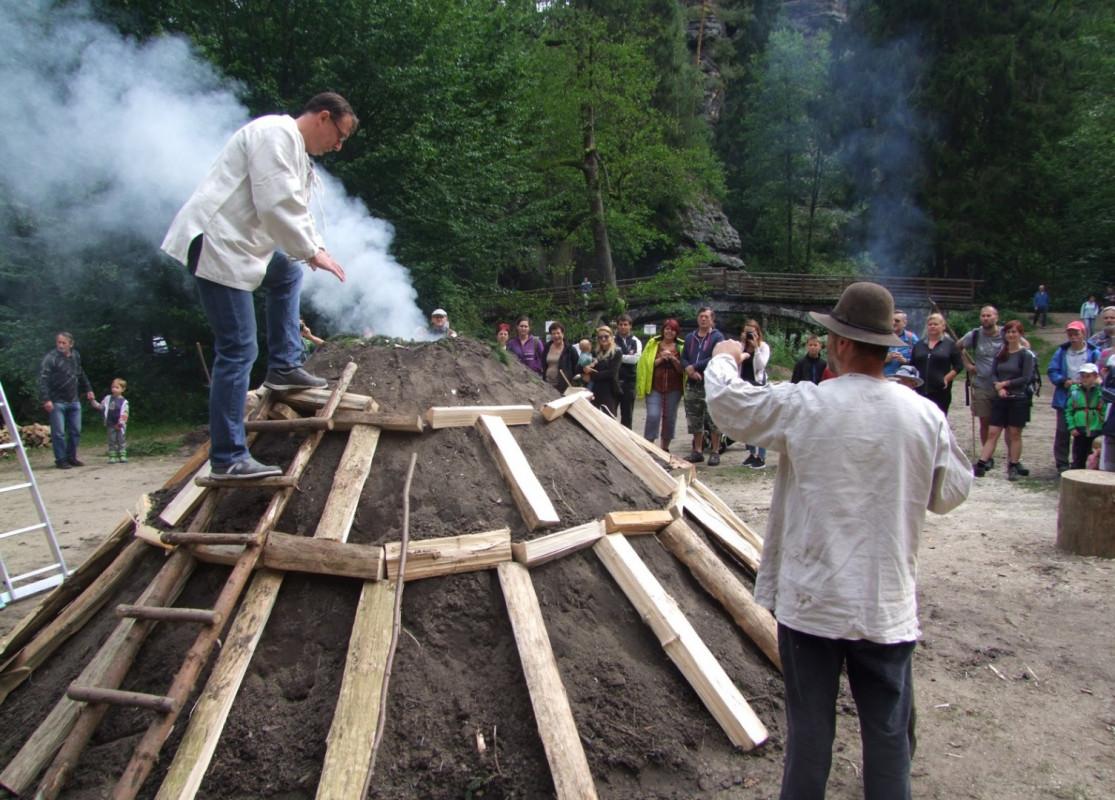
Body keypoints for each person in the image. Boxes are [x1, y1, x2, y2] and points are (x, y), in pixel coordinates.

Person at [704, 282, 971, 800]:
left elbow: (729, 406)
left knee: (810, 739)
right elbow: (951, 493)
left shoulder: (807, 405)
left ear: (843, 344)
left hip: (813, 603)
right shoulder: (922, 415)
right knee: (890, 738)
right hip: (884, 605)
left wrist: (722, 357)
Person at [161, 92, 356, 480]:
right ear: (322, 117)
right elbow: (276, 203)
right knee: (237, 349)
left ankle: (284, 364)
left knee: (288, 270)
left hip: (242, 247)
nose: (337, 146)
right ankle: (229, 456)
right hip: (218, 244)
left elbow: (297, 208)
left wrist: (313, 248)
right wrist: (310, 251)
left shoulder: (296, 154)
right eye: (339, 135)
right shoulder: (275, 134)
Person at [974, 320, 1036, 481]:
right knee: (993, 431)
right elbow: (994, 373)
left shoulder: (1026, 355)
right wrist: (998, 387)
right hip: (1000, 397)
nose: (1011, 335)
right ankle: (982, 462)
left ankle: (1013, 464)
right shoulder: (1001, 353)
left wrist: (1006, 384)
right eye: (1008, 332)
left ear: (1020, 334)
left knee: (1014, 433)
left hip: (1019, 398)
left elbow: (1026, 377)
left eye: (1014, 332)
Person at [1047, 320, 1101, 473]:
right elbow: (1052, 370)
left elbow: (1099, 372)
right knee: (1063, 431)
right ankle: (1062, 463)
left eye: (1076, 333)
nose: (1073, 336)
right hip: (1065, 395)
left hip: (1089, 397)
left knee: (1086, 432)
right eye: (1070, 333)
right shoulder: (1062, 351)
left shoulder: (1093, 352)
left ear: (1083, 334)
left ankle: (1084, 462)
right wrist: (1063, 381)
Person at [38, 331, 96, 469]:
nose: (61, 345)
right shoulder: (50, 358)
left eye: (64, 343)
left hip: (73, 399)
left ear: (71, 344)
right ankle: (61, 460)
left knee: (76, 430)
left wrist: (88, 389)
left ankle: (72, 457)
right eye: (59, 342)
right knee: (58, 433)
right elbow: (42, 379)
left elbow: (81, 373)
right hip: (57, 400)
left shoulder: (75, 355)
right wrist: (46, 399)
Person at [959, 306, 1005, 458]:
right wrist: (967, 365)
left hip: (1003, 385)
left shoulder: (1006, 333)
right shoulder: (975, 334)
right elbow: (959, 346)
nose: (985, 318)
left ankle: (1012, 459)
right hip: (981, 385)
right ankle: (987, 456)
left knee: (1004, 424)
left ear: (996, 317)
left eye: (989, 315)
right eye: (983, 316)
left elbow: (1025, 346)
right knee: (984, 421)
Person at [682, 307, 726, 465]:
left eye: (707, 317)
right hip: (693, 383)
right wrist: (689, 369)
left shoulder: (717, 337)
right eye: (701, 316)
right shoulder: (689, 337)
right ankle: (697, 450)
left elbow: (716, 355)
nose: (703, 319)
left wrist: (696, 366)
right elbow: (684, 357)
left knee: (713, 417)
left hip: (711, 382)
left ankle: (715, 450)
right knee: (694, 418)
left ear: (712, 319)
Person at [636, 319, 685, 452]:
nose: (669, 331)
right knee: (653, 415)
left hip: (674, 388)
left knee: (669, 417)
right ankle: (649, 446)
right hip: (653, 386)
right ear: (663, 330)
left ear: (676, 332)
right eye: (667, 328)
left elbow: (683, 370)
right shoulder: (653, 344)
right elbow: (644, 365)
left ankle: (665, 448)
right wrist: (660, 359)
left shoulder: (682, 346)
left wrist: (674, 359)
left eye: (673, 329)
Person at [910, 312, 964, 415]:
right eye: (930, 324)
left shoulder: (950, 345)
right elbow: (912, 364)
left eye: (936, 324)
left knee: (939, 418)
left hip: (940, 390)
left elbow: (958, 365)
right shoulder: (918, 345)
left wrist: (946, 378)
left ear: (943, 326)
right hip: (920, 389)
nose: (932, 326)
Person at [739, 319, 770, 469]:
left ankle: (761, 456)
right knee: (746, 423)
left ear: (758, 333)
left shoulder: (763, 347)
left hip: (758, 386)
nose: (749, 335)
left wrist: (755, 347)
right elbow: (735, 363)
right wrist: (742, 345)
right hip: (743, 386)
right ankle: (751, 453)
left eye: (752, 332)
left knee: (759, 422)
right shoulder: (741, 347)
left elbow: (760, 366)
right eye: (747, 332)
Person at [1065, 363, 1105, 470]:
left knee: (1096, 455)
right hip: (1080, 428)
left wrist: (1103, 425)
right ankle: (1077, 475)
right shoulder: (1075, 391)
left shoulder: (1100, 391)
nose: (1085, 379)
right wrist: (1072, 427)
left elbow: (1104, 410)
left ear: (1096, 376)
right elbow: (1069, 411)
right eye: (1082, 376)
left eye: (1088, 376)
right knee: (1079, 456)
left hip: (1096, 428)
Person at [584, 325, 621, 415]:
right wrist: (586, 369)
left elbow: (611, 373)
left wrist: (592, 375)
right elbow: (584, 366)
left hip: (609, 389)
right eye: (600, 337)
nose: (603, 339)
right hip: (595, 389)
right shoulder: (595, 352)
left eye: (606, 336)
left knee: (609, 417)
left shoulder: (616, 352)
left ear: (611, 337)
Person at [614, 314, 642, 429]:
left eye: (625, 324)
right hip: (614, 381)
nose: (623, 327)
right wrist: (624, 357)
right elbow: (609, 357)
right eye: (620, 324)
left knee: (627, 415)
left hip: (629, 382)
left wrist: (619, 356)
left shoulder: (636, 341)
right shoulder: (611, 340)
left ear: (630, 326)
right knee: (610, 412)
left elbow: (635, 359)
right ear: (617, 326)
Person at [92, 378, 130, 463]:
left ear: (122, 389)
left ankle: (122, 455)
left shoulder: (124, 402)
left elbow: (125, 414)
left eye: (117, 387)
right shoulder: (107, 398)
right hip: (110, 424)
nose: (114, 389)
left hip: (120, 425)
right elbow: (101, 407)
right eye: (113, 387)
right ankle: (112, 456)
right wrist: (93, 401)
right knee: (111, 440)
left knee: (121, 439)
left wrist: (120, 424)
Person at [541, 321, 579, 391]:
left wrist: (569, 377)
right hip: (547, 384)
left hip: (563, 386)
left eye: (558, 333)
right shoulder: (547, 347)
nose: (556, 336)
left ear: (563, 334)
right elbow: (543, 363)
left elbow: (576, 366)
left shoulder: (570, 349)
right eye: (553, 334)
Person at [884, 311, 918, 377]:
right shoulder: (882, 337)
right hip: (885, 379)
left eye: (897, 321)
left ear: (904, 323)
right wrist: (884, 359)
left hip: (904, 380)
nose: (893, 323)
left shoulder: (912, 338)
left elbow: (918, 361)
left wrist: (905, 361)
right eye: (891, 320)